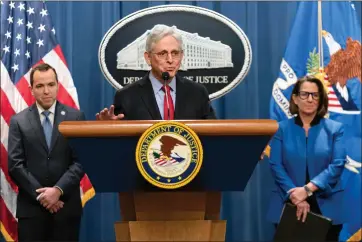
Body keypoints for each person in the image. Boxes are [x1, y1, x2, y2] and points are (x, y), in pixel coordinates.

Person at [7, 63, 85, 241]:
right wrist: (44, 197)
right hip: (32, 211)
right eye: (40, 86)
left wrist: (58, 190)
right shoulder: (18, 121)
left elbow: (80, 161)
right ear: (31, 89)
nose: (46, 91)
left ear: (58, 85)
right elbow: (15, 165)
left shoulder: (76, 117)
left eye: (51, 85)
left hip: (65, 208)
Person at [267, 76, 346, 241]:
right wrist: (296, 195)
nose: (310, 99)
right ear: (295, 98)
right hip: (289, 202)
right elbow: (276, 165)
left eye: (315, 95)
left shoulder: (335, 129)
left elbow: (337, 164)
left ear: (321, 100)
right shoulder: (281, 129)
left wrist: (307, 189)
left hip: (326, 204)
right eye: (305, 94)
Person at [96, 24, 216, 121]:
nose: (170, 60)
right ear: (148, 58)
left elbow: (212, 134)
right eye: (162, 54)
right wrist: (108, 127)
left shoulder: (197, 93)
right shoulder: (127, 96)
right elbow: (118, 140)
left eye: (175, 53)